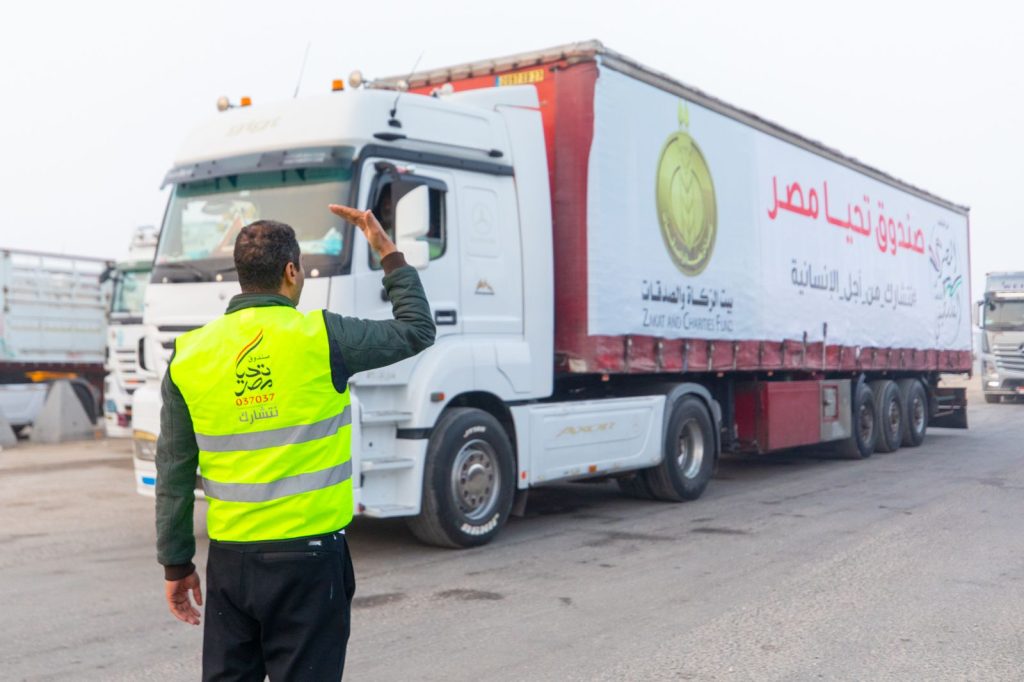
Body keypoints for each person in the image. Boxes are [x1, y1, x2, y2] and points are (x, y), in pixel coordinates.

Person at [155, 204, 435, 680]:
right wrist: (387, 251)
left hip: (230, 562)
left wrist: (175, 563)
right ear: (290, 271)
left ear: (241, 275)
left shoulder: (190, 353)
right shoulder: (324, 337)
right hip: (309, 562)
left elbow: (175, 470)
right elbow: (417, 329)